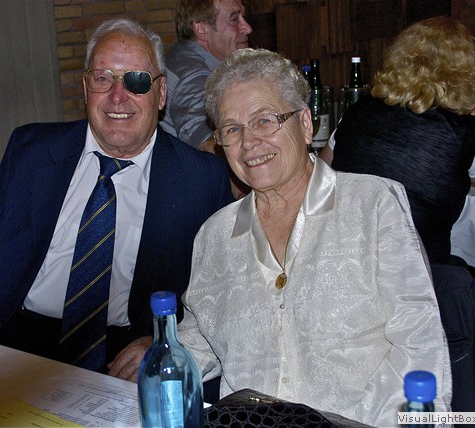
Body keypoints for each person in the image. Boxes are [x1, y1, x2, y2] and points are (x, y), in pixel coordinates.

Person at [0, 18, 234, 382]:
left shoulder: (200, 178)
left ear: (161, 94)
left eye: (137, 81)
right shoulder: (32, 152)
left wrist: (168, 340)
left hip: (124, 353)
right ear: (86, 88)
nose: (117, 96)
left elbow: (222, 289)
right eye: (103, 78)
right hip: (20, 341)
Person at [176, 48, 452, 426]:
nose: (249, 142)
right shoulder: (215, 236)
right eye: (232, 129)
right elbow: (197, 342)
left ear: (306, 124)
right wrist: (159, 359)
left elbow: (419, 347)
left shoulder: (372, 205)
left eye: (265, 120)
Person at [320, 17, 475, 413]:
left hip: (343, 264)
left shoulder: (359, 112)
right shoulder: (468, 132)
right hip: (420, 279)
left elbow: (323, 171)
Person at [160, 0, 252, 150]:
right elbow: (202, 139)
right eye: (234, 19)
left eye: (243, 17)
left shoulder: (183, 53)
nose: (247, 28)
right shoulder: (194, 74)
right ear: (201, 29)